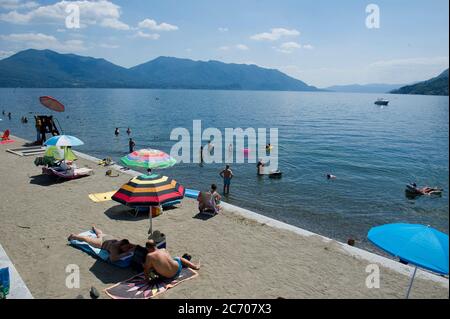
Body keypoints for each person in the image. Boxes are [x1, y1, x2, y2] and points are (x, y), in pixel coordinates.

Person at [68, 226, 136, 262]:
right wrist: (125, 254)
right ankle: (73, 236)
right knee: (87, 239)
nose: (127, 249)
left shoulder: (126, 243)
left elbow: (135, 246)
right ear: (121, 245)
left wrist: (131, 248)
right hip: (101, 243)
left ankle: (94, 228)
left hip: (108, 237)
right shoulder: (115, 247)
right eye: (126, 248)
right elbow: (113, 259)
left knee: (100, 234)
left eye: (127, 247)